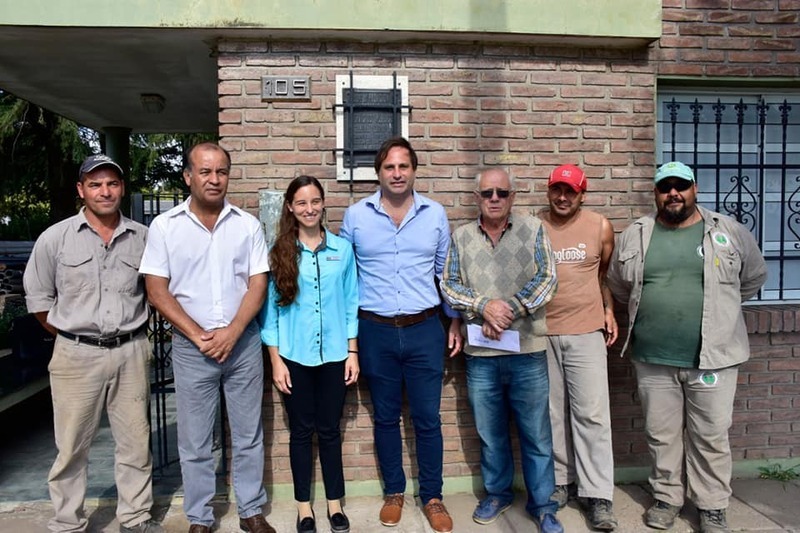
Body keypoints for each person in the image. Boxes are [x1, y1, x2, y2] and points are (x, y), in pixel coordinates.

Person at [607, 161, 767, 533]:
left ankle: (711, 505)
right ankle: (667, 498)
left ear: (695, 189)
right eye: (666, 187)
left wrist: (718, 312)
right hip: (653, 357)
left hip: (714, 356)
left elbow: (754, 276)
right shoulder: (637, 234)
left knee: (710, 435)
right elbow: (618, 283)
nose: (673, 193)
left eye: (681, 186)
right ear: (656, 193)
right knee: (660, 434)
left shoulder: (727, 231)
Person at [139, 142, 275, 533]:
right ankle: (200, 516)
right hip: (190, 348)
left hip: (243, 345)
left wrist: (232, 332)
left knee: (248, 433)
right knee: (195, 440)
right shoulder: (166, 227)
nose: (214, 179)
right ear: (188, 176)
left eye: (222, 172)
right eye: (205, 171)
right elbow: (157, 290)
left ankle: (251, 510)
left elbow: (257, 284)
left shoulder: (246, 225)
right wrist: (199, 335)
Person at [23, 154, 162, 533]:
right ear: (81, 190)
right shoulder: (56, 238)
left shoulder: (143, 238)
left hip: (130, 350)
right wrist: (73, 336)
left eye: (112, 184)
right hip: (75, 354)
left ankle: (135, 517)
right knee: (71, 445)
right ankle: (68, 521)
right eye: (96, 184)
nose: (105, 191)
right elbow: (38, 301)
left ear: (122, 188)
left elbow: (157, 290)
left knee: (135, 442)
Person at [339, 137, 462, 533]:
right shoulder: (355, 216)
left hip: (425, 328)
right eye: (389, 167)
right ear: (379, 172)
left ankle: (432, 496)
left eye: (403, 167)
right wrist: (349, 341)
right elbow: (346, 279)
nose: (396, 173)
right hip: (374, 331)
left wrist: (455, 319)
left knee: (428, 418)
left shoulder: (435, 215)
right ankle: (394, 491)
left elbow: (446, 275)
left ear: (413, 170)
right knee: (386, 418)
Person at [440, 167, 563, 533]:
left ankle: (543, 505)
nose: (495, 199)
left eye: (502, 193)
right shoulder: (461, 237)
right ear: (476, 197)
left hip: (527, 351)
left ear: (513, 196)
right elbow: (449, 285)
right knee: (490, 432)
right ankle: (498, 493)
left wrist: (508, 308)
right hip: (482, 355)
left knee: (537, 434)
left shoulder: (534, 229)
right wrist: (483, 306)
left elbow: (547, 278)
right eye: (488, 193)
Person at [258, 176, 359, 533]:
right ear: (290, 207)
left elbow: (351, 303)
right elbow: (269, 312)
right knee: (301, 432)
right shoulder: (279, 252)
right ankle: (304, 508)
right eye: (301, 203)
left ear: (323, 203)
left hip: (334, 355)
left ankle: (335, 504)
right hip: (294, 359)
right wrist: (275, 361)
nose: (309, 209)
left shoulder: (342, 250)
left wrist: (352, 352)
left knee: (330, 431)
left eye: (315, 201)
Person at [539, 164, 618, 530]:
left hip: (587, 331)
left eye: (570, 191)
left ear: (582, 194)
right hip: (543, 333)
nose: (562, 197)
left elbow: (602, 275)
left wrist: (608, 308)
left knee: (592, 415)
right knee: (552, 414)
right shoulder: (533, 227)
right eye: (557, 189)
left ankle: (598, 494)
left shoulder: (600, 226)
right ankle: (560, 483)